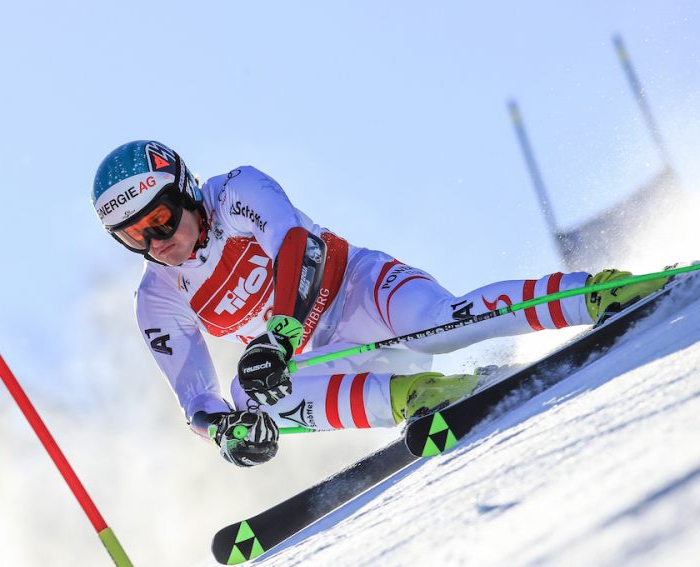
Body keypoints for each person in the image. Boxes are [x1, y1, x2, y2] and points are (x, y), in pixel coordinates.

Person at [90, 140, 667, 467]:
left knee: (442, 325)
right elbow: (197, 398)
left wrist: (281, 333)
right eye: (132, 237)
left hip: (361, 290)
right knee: (248, 396)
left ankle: (598, 293)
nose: (155, 242)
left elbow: (298, 247)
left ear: (185, 189)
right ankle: (416, 396)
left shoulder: (236, 190)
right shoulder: (157, 298)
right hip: (327, 366)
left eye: (160, 219)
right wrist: (225, 433)